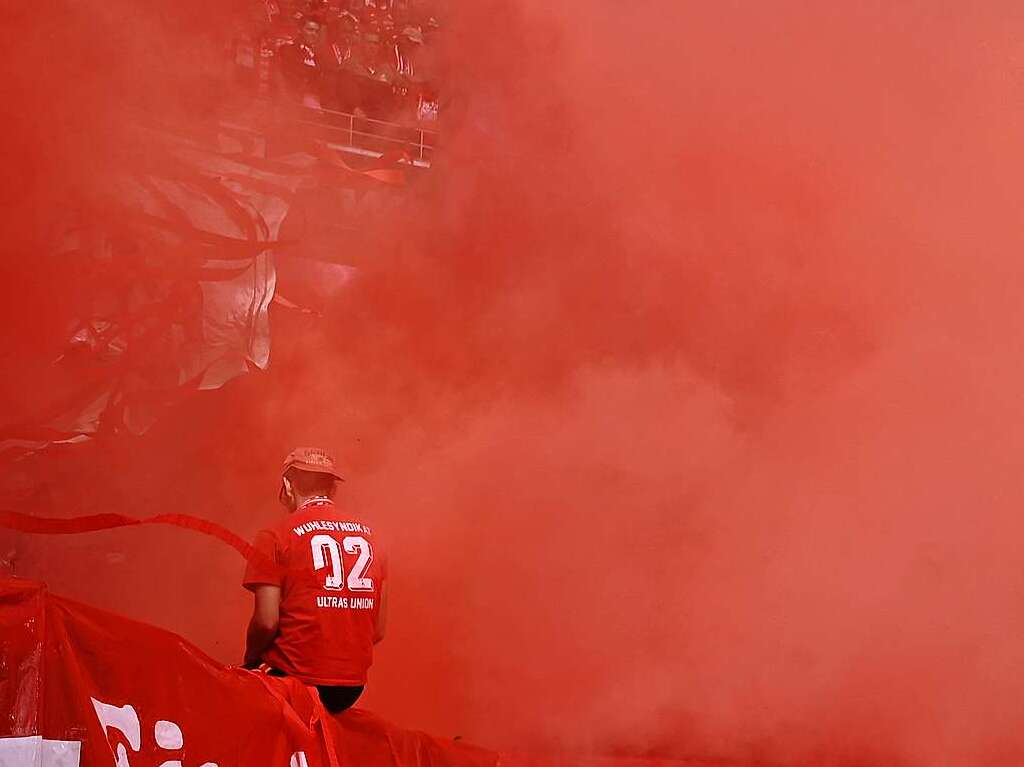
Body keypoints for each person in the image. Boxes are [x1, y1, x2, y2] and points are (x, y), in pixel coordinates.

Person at [242, 447, 388, 713]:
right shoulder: (371, 536)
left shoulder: (275, 535)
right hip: (351, 688)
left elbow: (266, 622)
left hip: (297, 682)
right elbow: (377, 630)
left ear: (287, 485)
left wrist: (249, 662)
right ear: (332, 489)